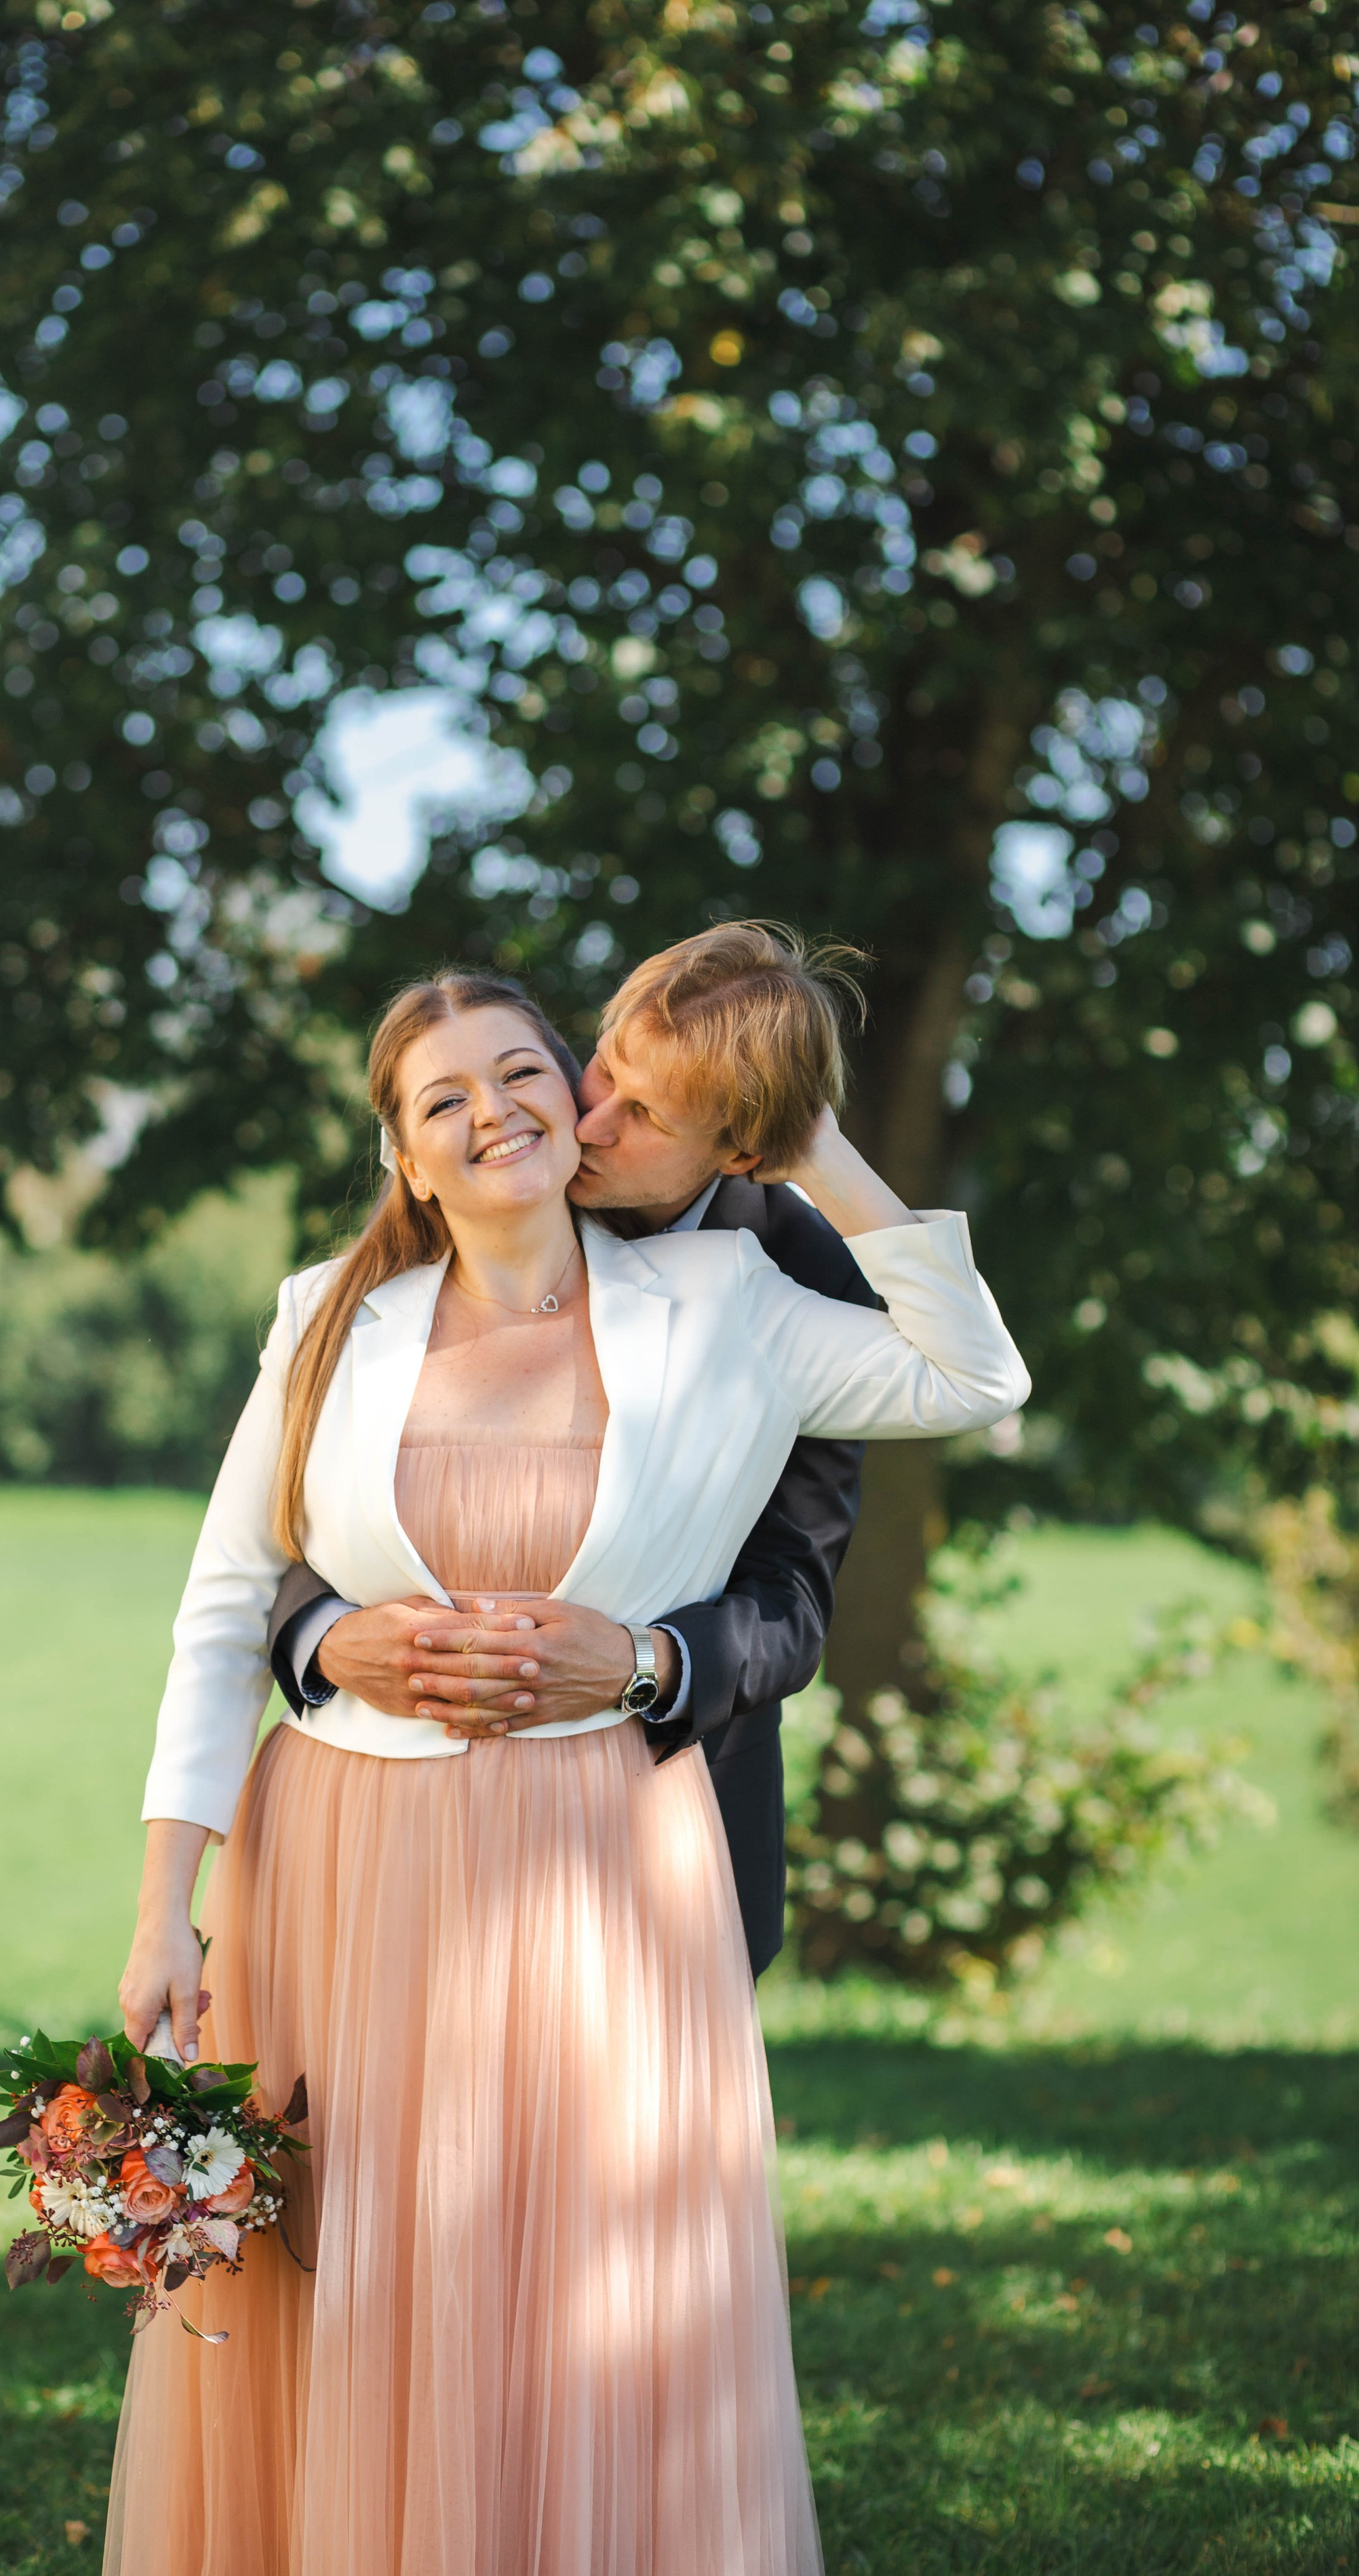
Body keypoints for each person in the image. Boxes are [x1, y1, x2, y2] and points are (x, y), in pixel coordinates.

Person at [106, 942, 1029, 2576]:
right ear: (401, 1149)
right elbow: (223, 1602)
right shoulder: (328, 1316)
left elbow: (974, 1378)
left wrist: (803, 1128)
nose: (523, 1110)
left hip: (609, 1852)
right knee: (365, 2268)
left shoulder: (741, 1300)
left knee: (592, 2277)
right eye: (446, 1098)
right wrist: (162, 1900)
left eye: (530, 1072)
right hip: (339, 1862)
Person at [264, 924, 886, 1980]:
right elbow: (298, 1510)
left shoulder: (791, 1274)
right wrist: (322, 1637)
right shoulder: (454, 1221)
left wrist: (645, 1660)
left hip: (659, 1806)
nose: (589, 1120)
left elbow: (793, 1592)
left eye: (642, 1114)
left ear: (739, 1150)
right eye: (597, 1069)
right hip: (398, 1798)